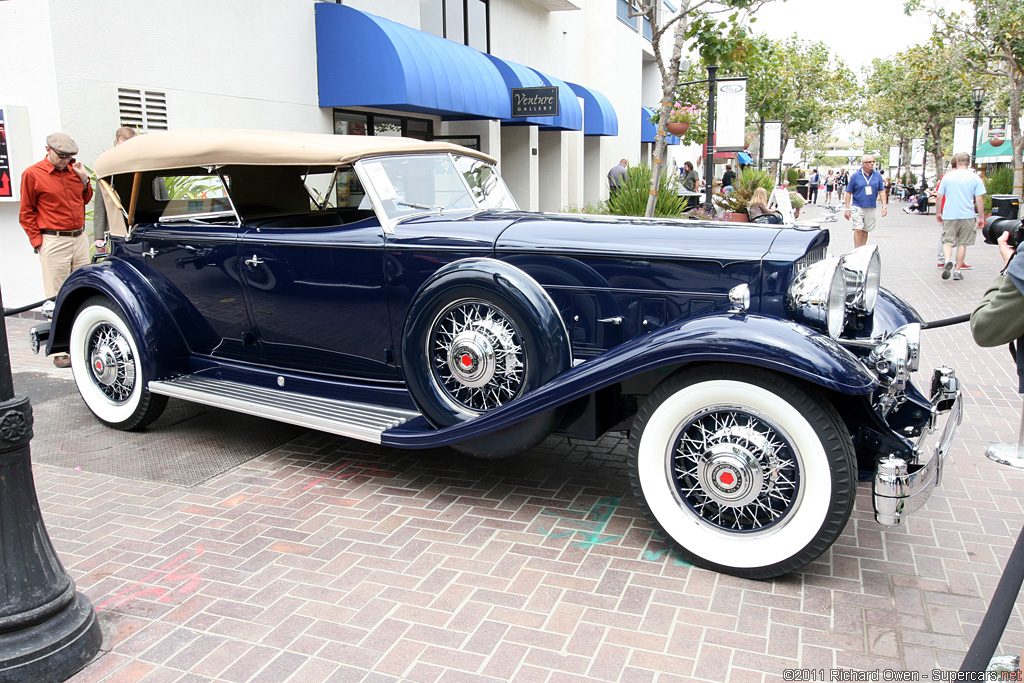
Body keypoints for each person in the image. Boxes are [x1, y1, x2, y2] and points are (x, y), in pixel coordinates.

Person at [19, 132, 92, 368]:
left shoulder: (74, 171)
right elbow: (26, 212)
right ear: (47, 149)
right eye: (61, 156)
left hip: (78, 237)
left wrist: (84, 180)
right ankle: (60, 351)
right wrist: (38, 241)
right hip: (53, 239)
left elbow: (85, 199)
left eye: (69, 156)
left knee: (85, 289)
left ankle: (83, 343)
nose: (65, 160)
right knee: (56, 295)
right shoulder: (33, 174)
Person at [936, 152, 986, 281]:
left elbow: (939, 196)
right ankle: (957, 271)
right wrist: (981, 217)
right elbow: (979, 199)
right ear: (968, 162)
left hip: (950, 214)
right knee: (962, 244)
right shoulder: (975, 178)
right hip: (967, 215)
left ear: (957, 162)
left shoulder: (948, 177)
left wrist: (938, 213)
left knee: (947, 241)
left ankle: (947, 260)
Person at [93, 126, 137, 253]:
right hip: (117, 227)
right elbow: (100, 205)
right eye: (123, 145)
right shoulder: (107, 166)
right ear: (116, 143)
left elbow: (161, 193)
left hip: (142, 224)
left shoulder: (144, 162)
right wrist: (99, 237)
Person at [843, 155, 888, 248]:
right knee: (858, 229)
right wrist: (847, 208)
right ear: (863, 164)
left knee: (865, 230)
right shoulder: (855, 176)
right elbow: (848, 192)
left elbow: (882, 191)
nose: (872, 164)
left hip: (871, 207)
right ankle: (856, 249)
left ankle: (862, 249)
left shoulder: (877, 175)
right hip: (857, 206)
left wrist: (884, 206)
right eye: (869, 162)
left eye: (873, 162)